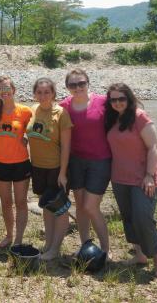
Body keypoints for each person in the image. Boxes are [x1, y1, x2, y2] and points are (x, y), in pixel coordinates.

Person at [105, 83, 157, 278]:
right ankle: (139, 255)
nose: (117, 102)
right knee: (128, 217)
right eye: (113, 99)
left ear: (129, 98)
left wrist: (149, 175)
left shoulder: (139, 116)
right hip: (120, 178)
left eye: (121, 98)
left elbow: (153, 147)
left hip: (143, 178)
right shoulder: (113, 118)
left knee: (143, 218)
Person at [60, 68, 110, 255]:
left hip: (100, 161)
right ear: (67, 87)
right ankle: (85, 244)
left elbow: (126, 112)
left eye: (81, 83)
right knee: (80, 204)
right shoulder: (64, 106)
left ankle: (105, 249)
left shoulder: (103, 102)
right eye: (73, 84)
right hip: (76, 161)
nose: (78, 87)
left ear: (88, 83)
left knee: (91, 206)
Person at [27, 78, 72, 260]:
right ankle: (48, 243)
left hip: (55, 168)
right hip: (37, 167)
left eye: (47, 92)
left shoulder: (61, 113)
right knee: (46, 205)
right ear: (34, 94)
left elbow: (67, 147)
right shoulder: (32, 110)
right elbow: (27, 132)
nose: (43, 95)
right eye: (39, 92)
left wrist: (62, 173)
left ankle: (55, 248)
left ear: (53, 93)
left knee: (60, 209)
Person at [0, 76, 32, 248]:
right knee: (6, 202)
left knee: (21, 202)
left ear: (14, 90)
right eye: (0, 88)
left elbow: (35, 130)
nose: (4, 91)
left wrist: (28, 137)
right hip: (1, 163)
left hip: (21, 162)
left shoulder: (25, 111)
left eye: (7, 88)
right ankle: (9, 235)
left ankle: (19, 239)